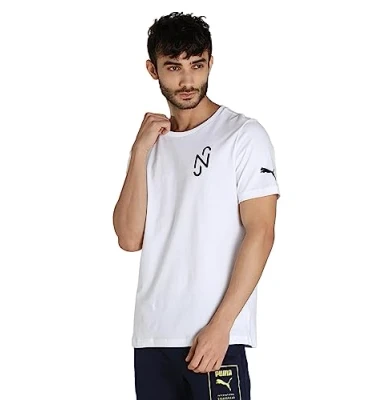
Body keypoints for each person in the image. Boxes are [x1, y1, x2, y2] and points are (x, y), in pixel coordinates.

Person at [113, 11, 281, 400]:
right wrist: (138, 152)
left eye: (197, 64)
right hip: (153, 337)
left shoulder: (242, 134)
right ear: (153, 70)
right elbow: (128, 238)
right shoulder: (152, 144)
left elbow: (262, 231)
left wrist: (222, 326)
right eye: (174, 67)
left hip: (215, 338)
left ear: (210, 63)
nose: (187, 80)